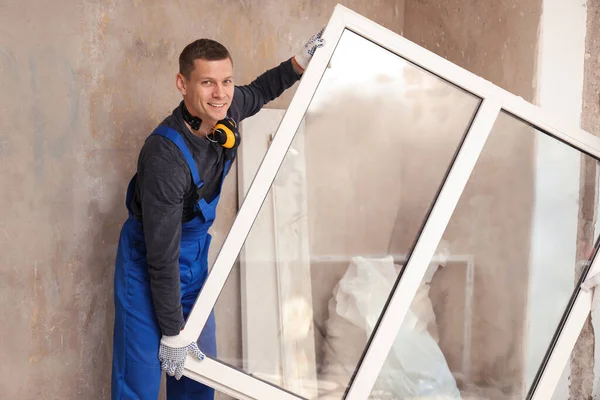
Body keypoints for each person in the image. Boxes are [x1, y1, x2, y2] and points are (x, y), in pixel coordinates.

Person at [110, 29, 325, 400]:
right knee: (139, 384)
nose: (220, 93)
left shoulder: (224, 111)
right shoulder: (165, 157)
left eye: (226, 81)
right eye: (207, 82)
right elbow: (160, 257)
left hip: (194, 262)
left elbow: (259, 90)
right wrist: (173, 332)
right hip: (148, 266)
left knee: (198, 375)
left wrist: (299, 63)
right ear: (182, 83)